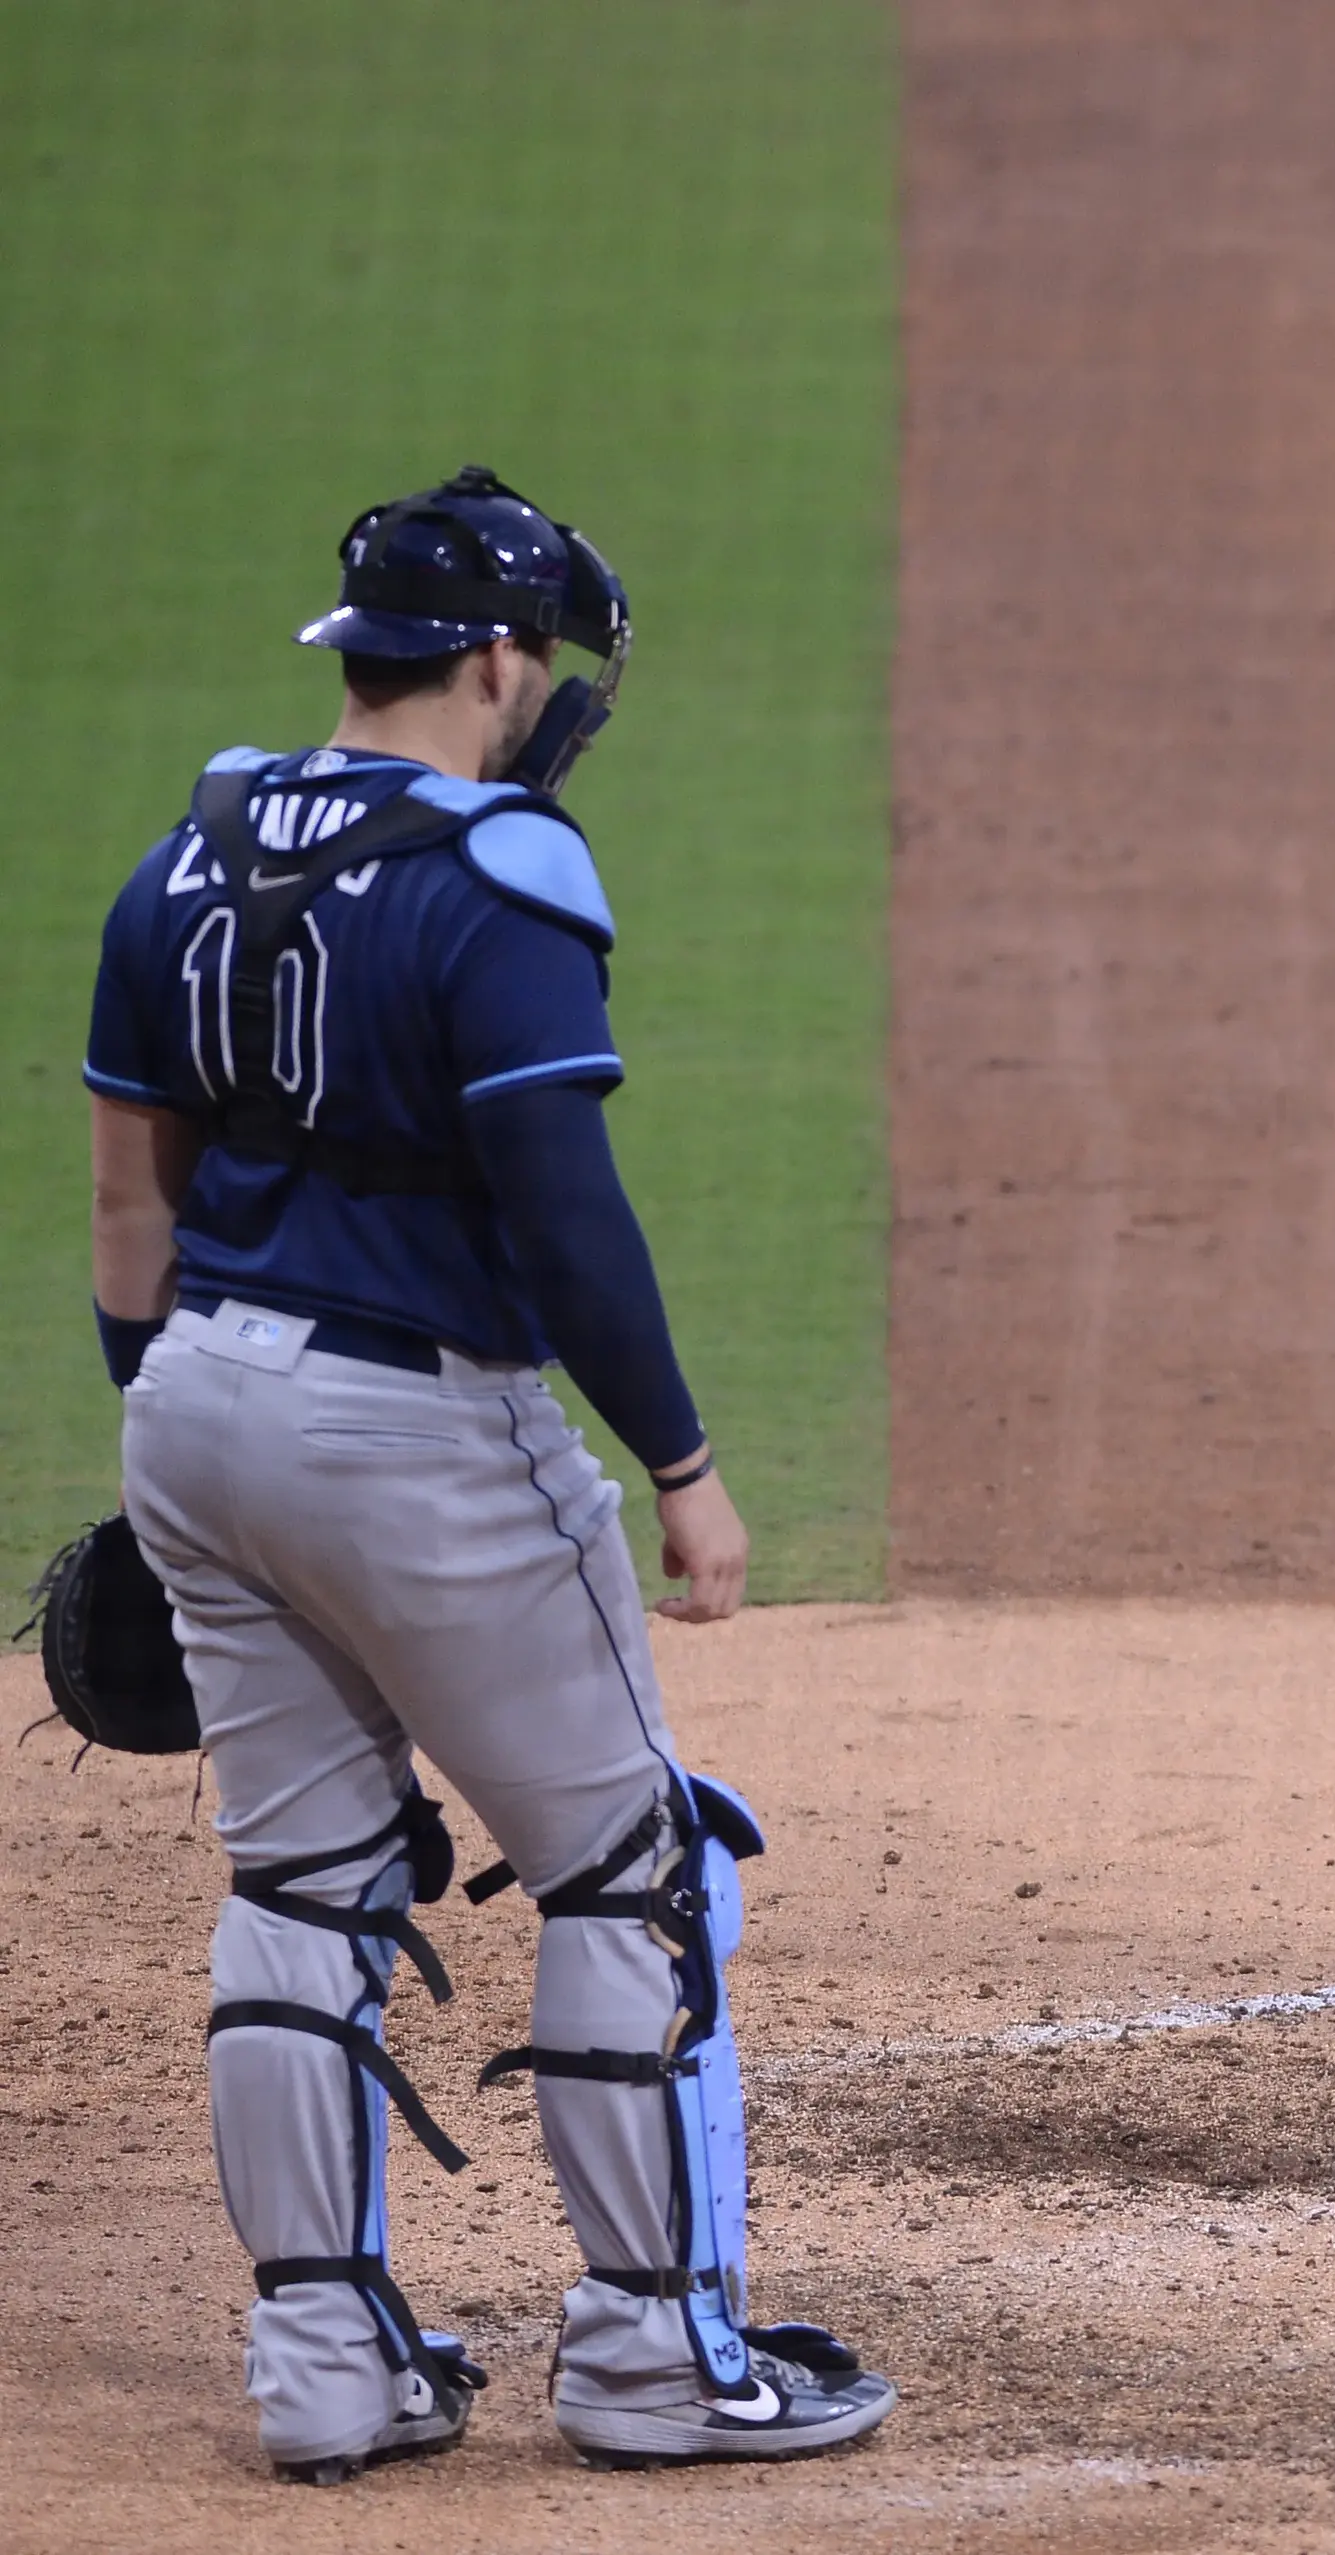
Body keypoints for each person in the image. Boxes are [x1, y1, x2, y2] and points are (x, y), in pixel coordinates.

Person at [82, 467, 898, 2477]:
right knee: (635, 1861)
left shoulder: (181, 859)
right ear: (498, 661)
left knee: (301, 1873)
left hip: (192, 1409)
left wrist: (178, 1433)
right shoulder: (506, 872)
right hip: (420, 1429)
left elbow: (128, 1209)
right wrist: (683, 1460)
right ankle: (644, 2351)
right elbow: (561, 1206)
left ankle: (323, 2368)